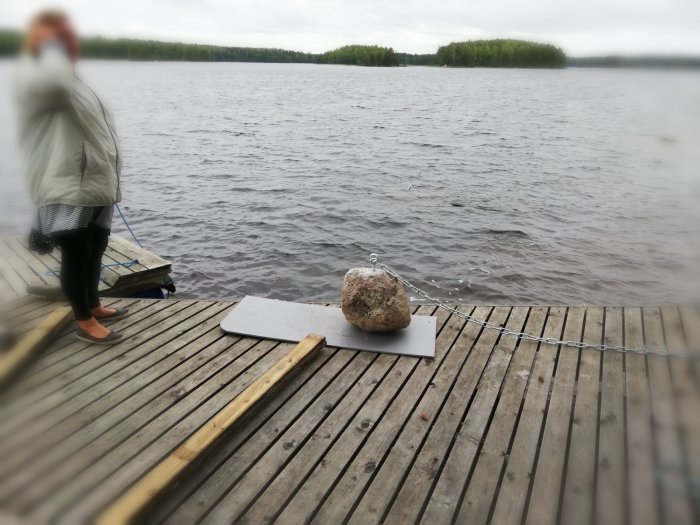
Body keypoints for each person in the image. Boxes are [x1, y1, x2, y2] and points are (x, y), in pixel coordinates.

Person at [14, 10, 127, 345]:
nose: (69, 44)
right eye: (59, 38)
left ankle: (92, 304)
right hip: (69, 185)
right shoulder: (39, 78)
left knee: (95, 247)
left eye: (69, 37)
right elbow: (53, 80)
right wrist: (48, 47)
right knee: (75, 252)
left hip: (95, 183)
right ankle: (83, 320)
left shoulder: (74, 83)